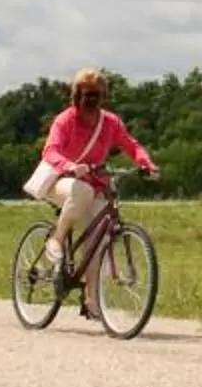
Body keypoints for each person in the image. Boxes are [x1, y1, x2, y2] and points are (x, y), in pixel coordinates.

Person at [37, 68, 157, 312]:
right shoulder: (65, 120)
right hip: (59, 181)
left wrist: (146, 163)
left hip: (93, 185)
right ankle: (56, 240)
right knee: (81, 191)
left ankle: (92, 299)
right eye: (86, 94)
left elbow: (130, 145)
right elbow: (50, 151)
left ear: (104, 97)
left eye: (97, 95)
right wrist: (70, 166)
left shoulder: (110, 122)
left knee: (99, 239)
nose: (91, 100)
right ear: (76, 96)